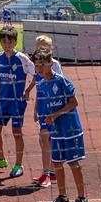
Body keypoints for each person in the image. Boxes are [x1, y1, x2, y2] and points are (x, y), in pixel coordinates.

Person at [32, 48, 89, 202]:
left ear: (51, 63)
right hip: (56, 131)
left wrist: (56, 114)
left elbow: (74, 103)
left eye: (42, 64)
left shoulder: (62, 81)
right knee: (56, 163)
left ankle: (82, 199)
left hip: (70, 129)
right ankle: (63, 197)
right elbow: (44, 110)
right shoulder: (41, 85)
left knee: (73, 162)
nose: (39, 69)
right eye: (36, 65)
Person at [0, 25, 32, 179]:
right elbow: (1, 76)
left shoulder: (22, 59)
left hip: (17, 102)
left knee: (16, 133)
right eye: (3, 41)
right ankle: (0, 159)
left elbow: (37, 74)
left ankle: (19, 165)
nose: (6, 44)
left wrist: (27, 91)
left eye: (9, 41)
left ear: (15, 42)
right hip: (2, 100)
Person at [23, 34, 63, 188]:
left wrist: (58, 110)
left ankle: (47, 174)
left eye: (44, 47)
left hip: (53, 108)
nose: (41, 49)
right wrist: (35, 107)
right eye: (38, 47)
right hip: (42, 108)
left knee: (47, 140)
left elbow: (61, 85)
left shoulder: (55, 65)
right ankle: (51, 171)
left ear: (50, 49)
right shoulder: (36, 65)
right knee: (43, 141)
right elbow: (37, 83)